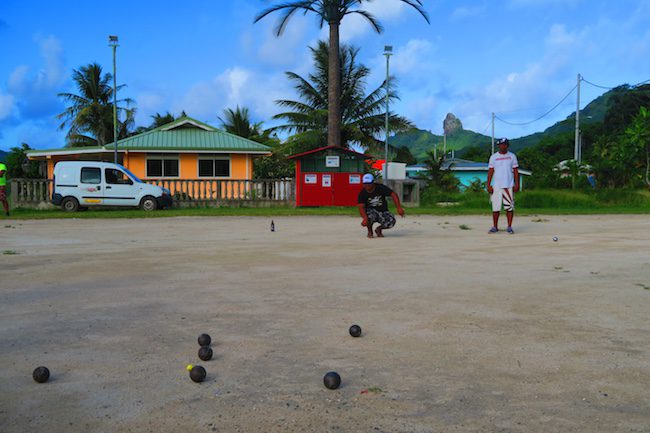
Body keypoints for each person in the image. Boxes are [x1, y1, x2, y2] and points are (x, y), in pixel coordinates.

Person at [487, 138, 519, 234]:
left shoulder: (512, 156)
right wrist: (488, 184)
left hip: (508, 185)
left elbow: (516, 171)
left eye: (505, 144)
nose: (503, 146)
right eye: (501, 144)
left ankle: (509, 227)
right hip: (496, 186)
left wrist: (517, 184)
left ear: (507, 145)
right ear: (498, 146)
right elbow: (490, 171)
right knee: (495, 208)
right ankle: (495, 227)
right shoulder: (493, 157)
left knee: (509, 208)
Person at [358, 173, 405, 238]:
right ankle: (370, 231)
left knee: (391, 221)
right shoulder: (362, 193)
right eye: (365, 184)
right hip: (371, 211)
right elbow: (361, 207)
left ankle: (379, 229)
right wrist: (365, 218)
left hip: (383, 211)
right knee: (368, 217)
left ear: (373, 182)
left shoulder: (380, 187)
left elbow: (393, 194)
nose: (367, 185)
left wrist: (399, 208)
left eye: (369, 183)